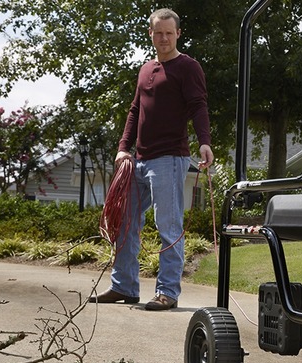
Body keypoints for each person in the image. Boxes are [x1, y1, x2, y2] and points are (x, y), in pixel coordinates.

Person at [90, 8, 214, 310]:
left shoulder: (188, 67)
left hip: (169, 159)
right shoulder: (145, 70)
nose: (164, 38)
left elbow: (198, 106)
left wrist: (204, 142)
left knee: (168, 227)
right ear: (150, 34)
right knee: (124, 222)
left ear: (178, 34)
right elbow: (135, 110)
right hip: (138, 160)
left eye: (169, 33)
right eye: (158, 33)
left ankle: (168, 292)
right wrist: (123, 147)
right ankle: (124, 287)